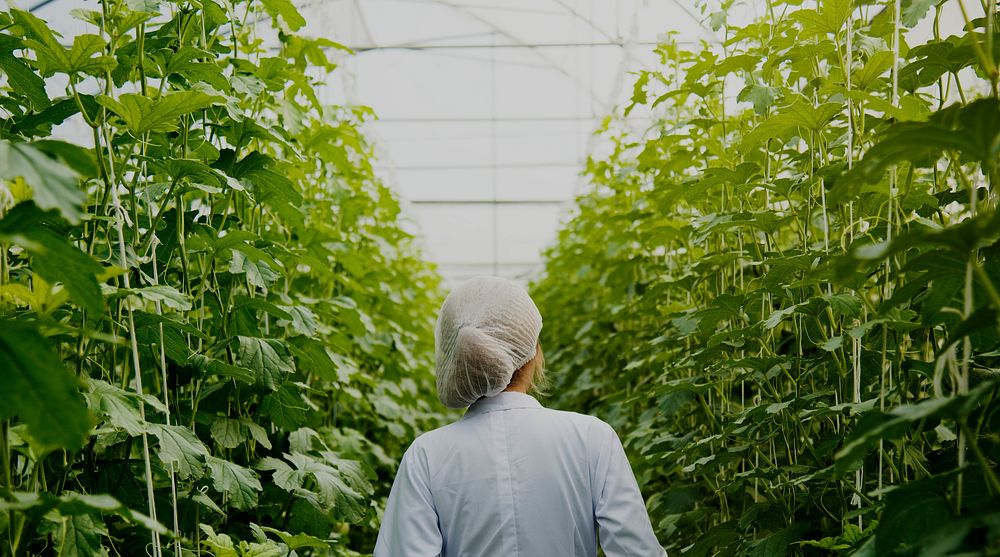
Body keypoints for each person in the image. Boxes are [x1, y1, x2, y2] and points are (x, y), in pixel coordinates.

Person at [374, 276, 666, 557]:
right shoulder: (592, 438)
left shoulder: (426, 456)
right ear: (533, 352)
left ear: (455, 362)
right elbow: (636, 551)